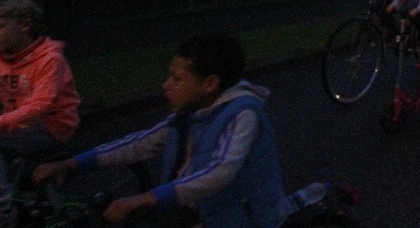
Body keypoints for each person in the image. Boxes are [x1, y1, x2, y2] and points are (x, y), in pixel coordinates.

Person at [34, 34, 291, 228]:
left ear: (210, 83)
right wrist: (72, 164)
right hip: (197, 213)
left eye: (177, 78)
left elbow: (220, 172)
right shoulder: (190, 113)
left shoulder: (243, 114)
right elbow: (142, 143)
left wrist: (146, 199)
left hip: (241, 219)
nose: (166, 85)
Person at [0, 0, 80, 228]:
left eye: (1, 26)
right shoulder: (4, 59)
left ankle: (4, 210)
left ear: (25, 25)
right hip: (21, 126)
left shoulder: (50, 59)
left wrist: (2, 122)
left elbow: (41, 104)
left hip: (51, 127)